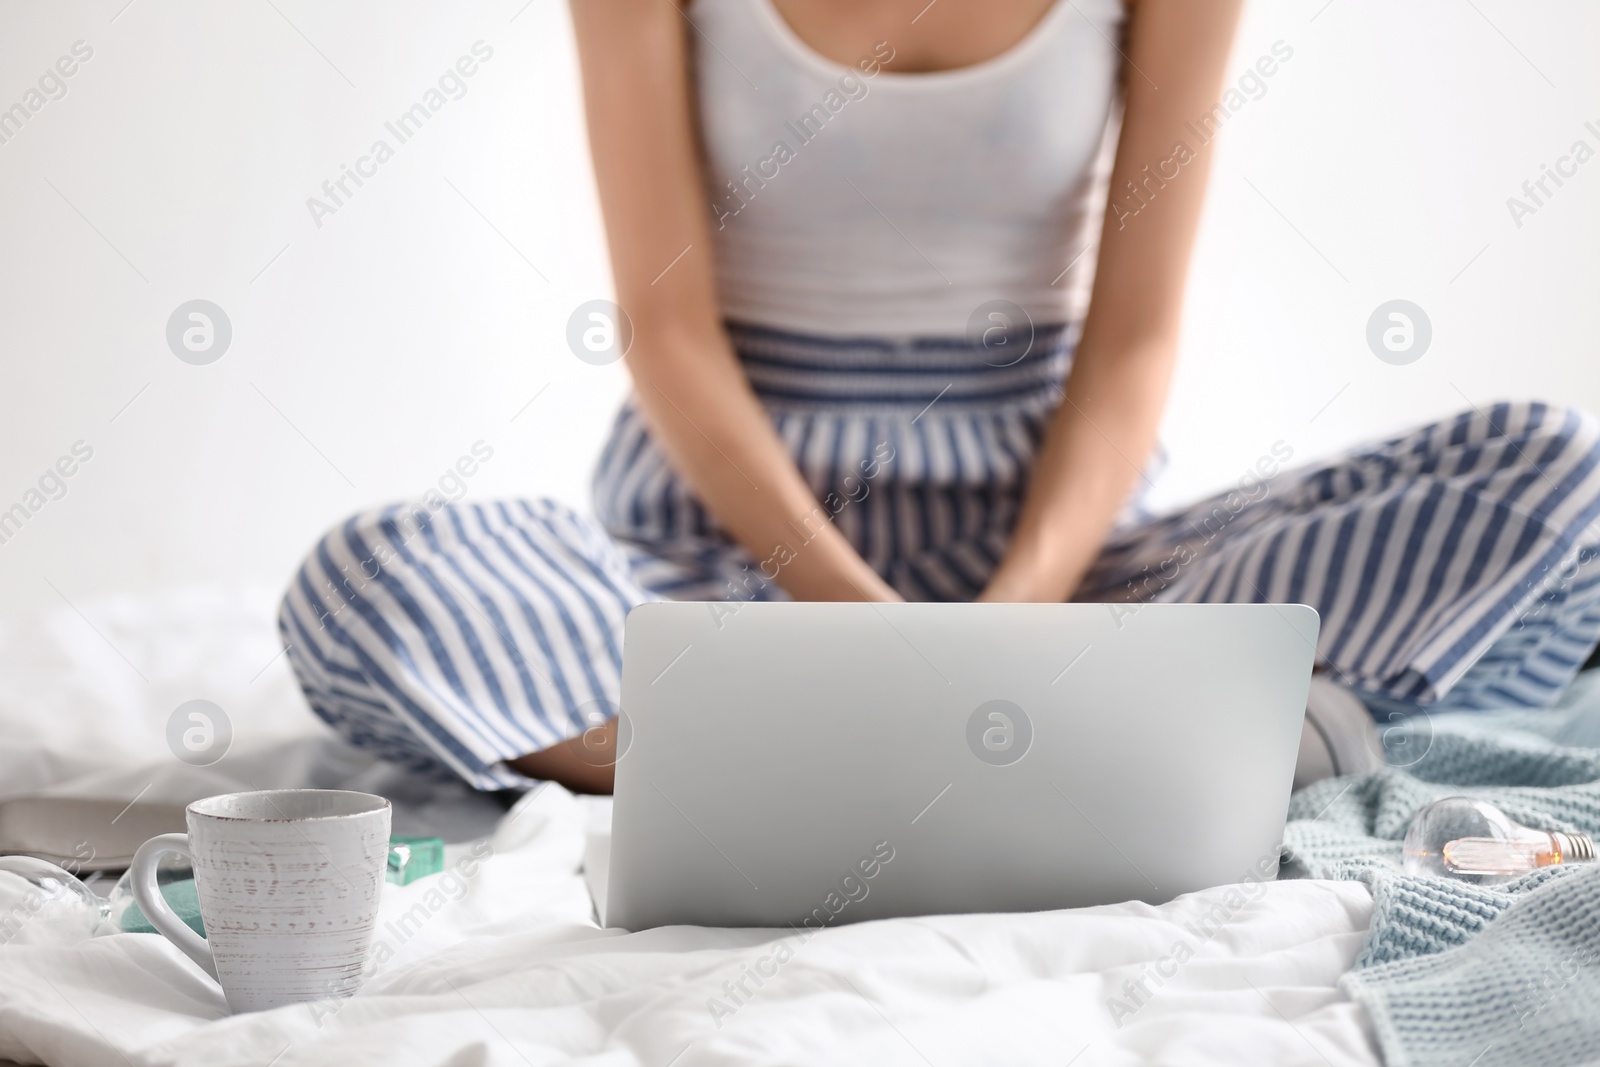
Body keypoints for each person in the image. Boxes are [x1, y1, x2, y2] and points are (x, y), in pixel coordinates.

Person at [279, 0, 1600, 796]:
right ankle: (1042, 762)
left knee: (1552, 470)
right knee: (374, 579)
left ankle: (818, 766)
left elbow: (1133, 341)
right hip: (734, 562)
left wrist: (1010, 624)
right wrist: (860, 628)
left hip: (1056, 558)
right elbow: (667, 330)